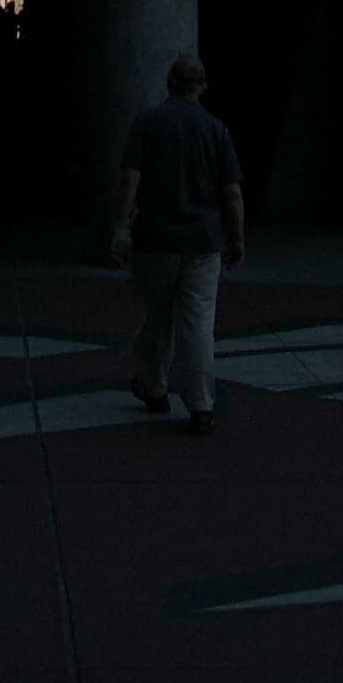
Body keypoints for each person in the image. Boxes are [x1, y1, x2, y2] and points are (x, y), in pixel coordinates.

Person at [111, 53, 244, 436]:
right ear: (202, 88)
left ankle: (154, 386)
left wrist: (121, 228)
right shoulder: (216, 130)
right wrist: (235, 237)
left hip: (155, 239)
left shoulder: (146, 123)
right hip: (203, 240)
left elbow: (130, 179)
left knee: (158, 314)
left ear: (168, 83)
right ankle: (201, 404)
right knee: (199, 321)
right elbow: (232, 192)